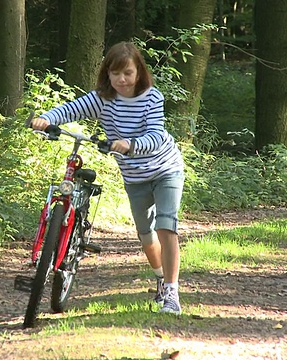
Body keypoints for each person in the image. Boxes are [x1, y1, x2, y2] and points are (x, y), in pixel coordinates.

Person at [31, 41, 185, 315]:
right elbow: (70, 109)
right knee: (146, 236)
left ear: (139, 72)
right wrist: (45, 118)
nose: (121, 80)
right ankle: (161, 279)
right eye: (115, 74)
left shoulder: (152, 97)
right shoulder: (103, 98)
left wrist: (131, 144)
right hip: (134, 177)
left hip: (165, 169)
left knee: (166, 227)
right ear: (107, 74)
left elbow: (157, 134)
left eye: (127, 73)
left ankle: (172, 293)